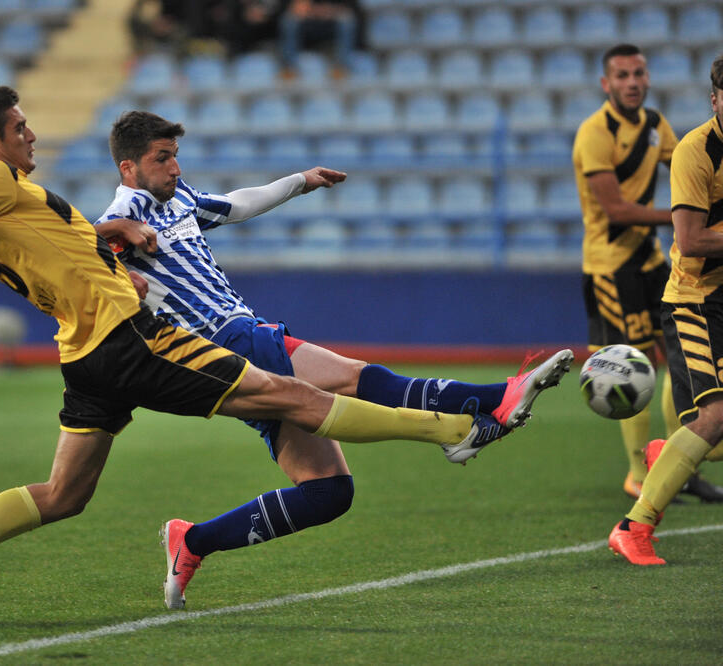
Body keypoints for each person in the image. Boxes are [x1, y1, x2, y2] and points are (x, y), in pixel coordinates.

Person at [0, 85, 530, 622]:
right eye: (20, 129)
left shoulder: (22, 202)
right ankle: (453, 429)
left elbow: (71, 245)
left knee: (63, 496)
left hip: (85, 358)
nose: (31, 137)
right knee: (292, 397)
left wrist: (120, 240)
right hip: (129, 339)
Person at [95, 110, 573, 608]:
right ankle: (494, 401)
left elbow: (236, 204)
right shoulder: (127, 212)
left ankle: (193, 541)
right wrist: (115, 227)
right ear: (128, 167)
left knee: (328, 493)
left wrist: (299, 181)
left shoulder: (180, 198)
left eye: (175, 156)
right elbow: (71, 246)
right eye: (162, 158)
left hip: (233, 360)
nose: (175, 168)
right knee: (356, 377)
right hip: (226, 338)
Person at [571, 43, 723, 503]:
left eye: (638, 74)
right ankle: (638, 474)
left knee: (678, 363)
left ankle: (679, 460)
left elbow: (694, 165)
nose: (632, 83)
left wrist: (693, 211)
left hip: (655, 262)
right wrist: (687, 218)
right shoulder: (594, 133)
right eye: (621, 76)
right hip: (609, 266)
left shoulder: (657, 126)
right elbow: (616, 209)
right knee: (632, 365)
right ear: (606, 84)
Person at [608, 53, 723, 565]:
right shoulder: (697, 151)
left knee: (708, 431)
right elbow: (692, 239)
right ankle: (633, 527)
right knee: (716, 416)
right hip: (697, 302)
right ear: (715, 99)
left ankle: (669, 452)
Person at [277, 0, 362, 79]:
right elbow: (286, 7)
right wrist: (304, 9)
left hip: (330, 20)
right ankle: (289, 67)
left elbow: (352, 7)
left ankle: (342, 67)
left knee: (347, 19)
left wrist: (330, 10)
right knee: (289, 20)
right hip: (306, 21)